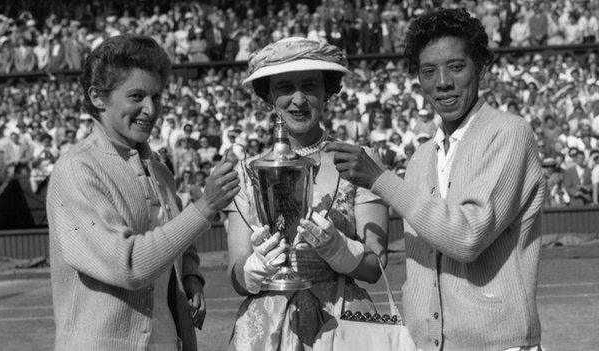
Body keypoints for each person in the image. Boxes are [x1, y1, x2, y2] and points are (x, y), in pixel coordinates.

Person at [326, 9, 545, 350]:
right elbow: (419, 269)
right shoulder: (420, 158)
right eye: (429, 71)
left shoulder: (509, 133)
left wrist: (381, 179)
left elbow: (467, 237)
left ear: (481, 68)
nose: (442, 82)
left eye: (456, 66)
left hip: (500, 344)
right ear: (418, 78)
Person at [46, 35, 240, 351]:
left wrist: (191, 277)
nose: (149, 110)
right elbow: (128, 265)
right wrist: (205, 207)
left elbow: (177, 237)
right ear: (97, 97)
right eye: (136, 96)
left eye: (157, 97)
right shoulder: (76, 170)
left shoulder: (159, 169)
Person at [225, 37, 389, 350]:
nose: (299, 100)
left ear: (327, 90)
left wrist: (340, 250)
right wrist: (254, 270)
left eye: (310, 86)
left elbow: (374, 269)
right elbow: (236, 275)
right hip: (267, 326)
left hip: (342, 323)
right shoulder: (245, 170)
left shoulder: (358, 159)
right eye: (285, 87)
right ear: (269, 95)